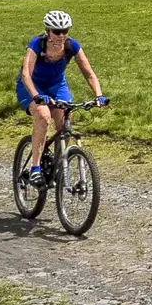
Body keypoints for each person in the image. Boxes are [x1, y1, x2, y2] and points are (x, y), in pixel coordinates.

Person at [17, 10, 106, 187]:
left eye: (65, 31)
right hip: (32, 86)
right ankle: (35, 168)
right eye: (57, 32)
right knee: (43, 116)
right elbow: (26, 75)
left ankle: (59, 163)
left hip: (57, 86)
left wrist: (98, 95)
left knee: (65, 121)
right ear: (48, 31)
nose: (61, 35)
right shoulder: (37, 44)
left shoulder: (71, 46)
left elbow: (89, 74)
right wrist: (36, 96)